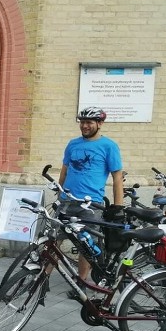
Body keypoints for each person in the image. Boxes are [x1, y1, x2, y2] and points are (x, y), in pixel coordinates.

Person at [59, 106, 124, 280]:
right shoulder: (73, 144)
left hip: (91, 204)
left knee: (86, 244)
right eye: (82, 122)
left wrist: (118, 207)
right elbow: (64, 170)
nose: (84, 126)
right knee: (54, 239)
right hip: (67, 200)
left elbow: (117, 178)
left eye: (89, 122)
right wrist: (59, 193)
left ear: (100, 123)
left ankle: (81, 281)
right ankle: (43, 277)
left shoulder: (109, 146)